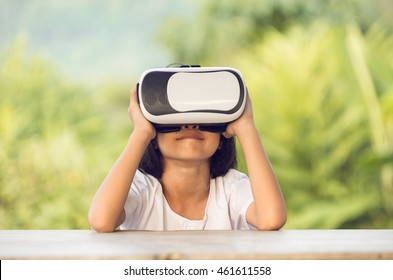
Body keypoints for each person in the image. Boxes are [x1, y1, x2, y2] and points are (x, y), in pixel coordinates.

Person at [88, 84, 286, 232]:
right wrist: (141, 132)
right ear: (154, 137)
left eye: (203, 117)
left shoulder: (231, 187)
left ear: (220, 138)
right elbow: (101, 221)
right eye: (175, 117)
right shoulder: (142, 189)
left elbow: (271, 220)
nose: (191, 125)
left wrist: (245, 126)